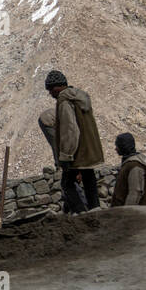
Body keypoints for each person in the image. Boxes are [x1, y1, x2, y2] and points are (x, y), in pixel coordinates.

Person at [36, 70, 104, 214]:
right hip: (89, 150)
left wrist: (66, 155)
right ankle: (95, 209)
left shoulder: (64, 100)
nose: (50, 94)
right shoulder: (79, 97)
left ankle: (81, 214)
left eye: (50, 90)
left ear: (57, 87)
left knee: (67, 184)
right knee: (88, 178)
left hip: (76, 152)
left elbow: (70, 130)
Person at [109, 133, 146, 206]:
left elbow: (135, 193)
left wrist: (127, 213)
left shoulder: (135, 165)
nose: (116, 148)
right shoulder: (129, 163)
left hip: (138, 214)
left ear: (123, 146)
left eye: (117, 146)